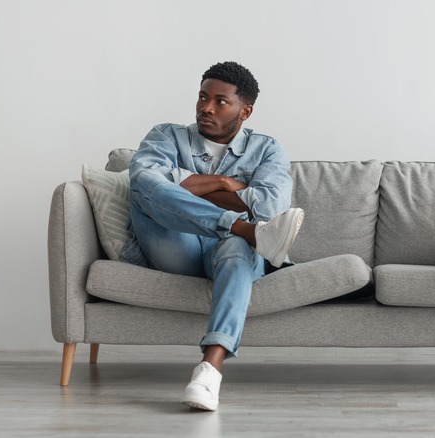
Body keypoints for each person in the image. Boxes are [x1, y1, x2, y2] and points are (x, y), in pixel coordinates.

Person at [120, 61, 304, 411]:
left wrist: (185, 185)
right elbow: (145, 178)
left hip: (231, 253)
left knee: (238, 246)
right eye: (203, 97)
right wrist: (225, 185)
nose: (206, 107)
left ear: (245, 111)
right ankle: (245, 230)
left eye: (221, 101)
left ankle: (208, 372)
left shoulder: (266, 149)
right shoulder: (166, 135)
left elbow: (269, 207)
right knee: (145, 183)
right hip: (176, 246)